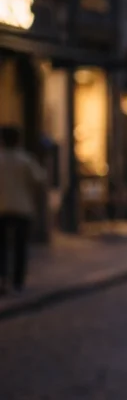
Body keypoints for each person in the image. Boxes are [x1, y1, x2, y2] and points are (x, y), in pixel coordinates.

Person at [0, 126, 46, 295]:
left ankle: (3, 278)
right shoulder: (25, 160)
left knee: (2, 247)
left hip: (2, 208)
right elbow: (40, 179)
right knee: (20, 247)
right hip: (22, 208)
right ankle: (18, 281)